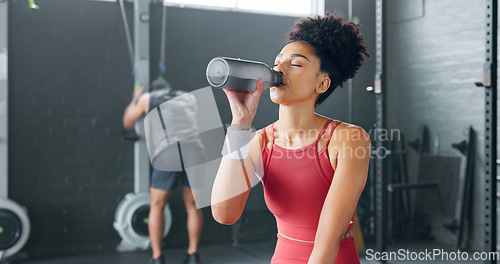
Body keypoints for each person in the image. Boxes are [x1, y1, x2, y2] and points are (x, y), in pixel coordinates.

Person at [211, 14, 370, 264]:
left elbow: (326, 243)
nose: (279, 69)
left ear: (322, 83)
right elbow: (224, 213)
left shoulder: (348, 139)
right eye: (277, 62)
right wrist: (240, 125)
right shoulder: (257, 142)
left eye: (295, 64)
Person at [123, 79, 203, 264]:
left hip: (168, 151)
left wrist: (136, 98)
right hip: (195, 151)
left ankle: (157, 257)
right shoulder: (189, 97)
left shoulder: (147, 98)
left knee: (157, 205)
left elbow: (128, 121)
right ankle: (193, 255)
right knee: (193, 206)